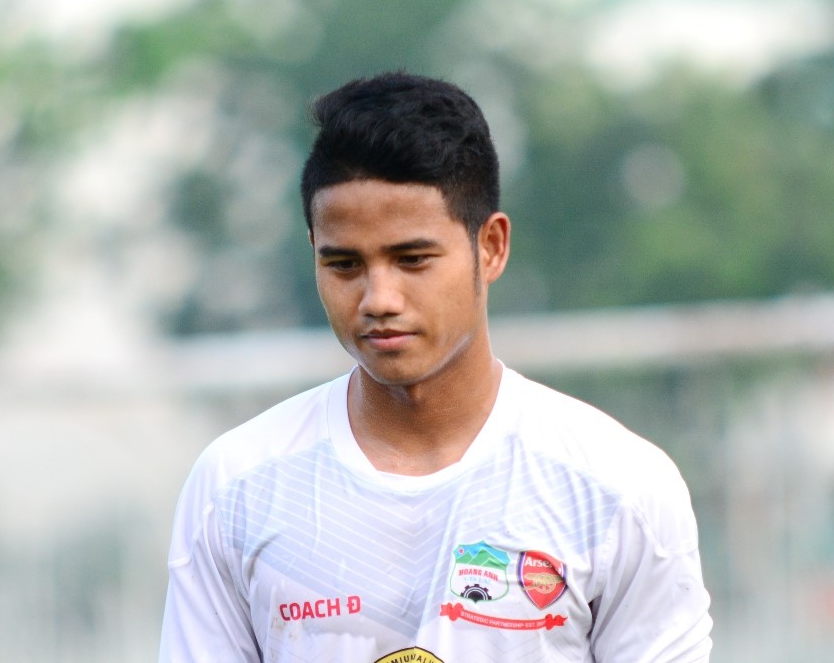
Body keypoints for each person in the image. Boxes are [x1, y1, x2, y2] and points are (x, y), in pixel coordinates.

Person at [159, 71, 713, 662]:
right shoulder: (239, 486)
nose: (379, 298)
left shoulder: (618, 488)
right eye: (345, 265)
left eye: (412, 259)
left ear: (491, 247)